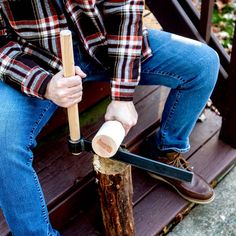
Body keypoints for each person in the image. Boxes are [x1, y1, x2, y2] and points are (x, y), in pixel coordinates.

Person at [0, 0, 220, 235]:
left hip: (104, 44)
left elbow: (125, 8)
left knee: (203, 64)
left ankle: (165, 151)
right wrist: (43, 84)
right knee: (3, 143)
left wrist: (123, 95)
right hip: (39, 61)